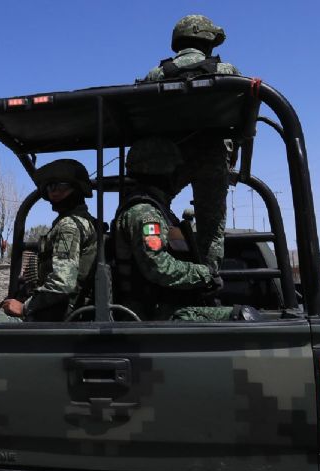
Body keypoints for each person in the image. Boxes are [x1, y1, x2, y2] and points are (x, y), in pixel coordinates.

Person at [142, 14, 240, 271]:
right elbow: (242, 118)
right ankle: (208, 282)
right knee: (211, 229)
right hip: (213, 157)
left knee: (147, 211)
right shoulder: (225, 72)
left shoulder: (157, 74)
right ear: (206, 39)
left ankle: (159, 272)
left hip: (165, 159)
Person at [113, 137, 235, 321]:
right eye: (175, 169)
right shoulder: (145, 213)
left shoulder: (158, 210)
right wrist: (205, 274)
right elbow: (158, 267)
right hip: (154, 315)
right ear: (162, 170)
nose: (178, 175)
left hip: (166, 308)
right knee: (241, 316)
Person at [0, 159, 97, 321]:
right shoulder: (78, 222)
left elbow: (62, 282)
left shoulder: (69, 226)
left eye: (61, 185)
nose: (53, 191)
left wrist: (25, 307)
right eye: (50, 186)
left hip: (61, 315)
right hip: (62, 312)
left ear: (76, 187)